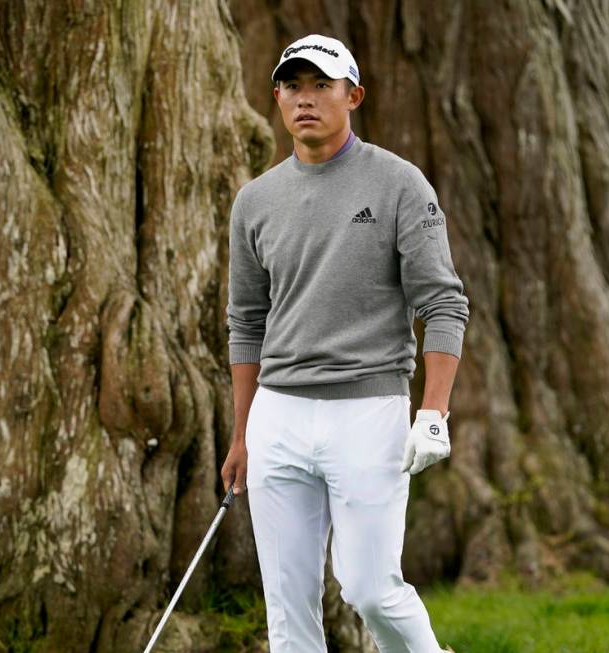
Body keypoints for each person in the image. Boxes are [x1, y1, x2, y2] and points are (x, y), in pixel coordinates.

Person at [221, 34, 467, 653]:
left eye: (321, 86)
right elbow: (247, 322)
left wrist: (433, 410)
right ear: (277, 97)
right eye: (292, 86)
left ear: (352, 95)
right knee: (287, 606)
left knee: (367, 588)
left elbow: (443, 302)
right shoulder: (254, 202)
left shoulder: (400, 184)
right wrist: (241, 432)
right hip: (277, 416)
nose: (305, 99)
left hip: (368, 412)